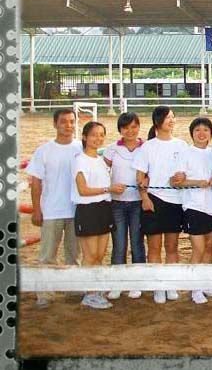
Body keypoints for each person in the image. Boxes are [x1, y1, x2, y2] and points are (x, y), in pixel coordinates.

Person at [26, 109, 82, 307]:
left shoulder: (81, 148)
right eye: (64, 122)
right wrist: (36, 209)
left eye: (71, 121)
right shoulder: (44, 150)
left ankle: (73, 290)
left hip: (76, 210)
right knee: (47, 255)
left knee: (74, 255)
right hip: (51, 210)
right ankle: (45, 295)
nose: (68, 125)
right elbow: (36, 182)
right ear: (55, 124)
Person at [133, 106, 189, 304]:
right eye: (168, 117)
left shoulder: (182, 145)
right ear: (158, 121)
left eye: (173, 117)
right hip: (154, 200)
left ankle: (171, 284)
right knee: (154, 247)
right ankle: (158, 286)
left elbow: (186, 172)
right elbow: (139, 176)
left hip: (175, 201)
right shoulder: (148, 147)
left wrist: (182, 177)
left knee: (172, 246)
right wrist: (145, 198)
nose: (171, 120)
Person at [170, 118, 212, 304]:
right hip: (194, 206)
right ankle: (195, 288)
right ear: (192, 133)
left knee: (210, 246)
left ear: (211, 134)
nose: (202, 134)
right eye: (198, 130)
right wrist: (199, 183)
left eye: (206, 130)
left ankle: (205, 282)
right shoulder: (185, 153)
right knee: (199, 248)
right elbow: (177, 182)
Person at [72, 121, 123, 309]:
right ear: (84, 137)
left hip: (104, 209)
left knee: (100, 254)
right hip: (87, 210)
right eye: (94, 134)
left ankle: (96, 289)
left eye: (101, 134)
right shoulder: (80, 159)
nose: (98, 138)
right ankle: (89, 293)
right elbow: (83, 190)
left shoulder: (100, 160)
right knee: (90, 254)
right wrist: (108, 188)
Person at [103, 112, 146, 301]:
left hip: (138, 202)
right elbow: (102, 170)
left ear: (139, 126)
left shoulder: (146, 148)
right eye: (126, 127)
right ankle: (117, 283)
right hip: (117, 204)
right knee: (119, 244)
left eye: (134, 126)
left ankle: (137, 283)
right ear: (120, 130)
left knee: (137, 243)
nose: (130, 131)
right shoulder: (112, 149)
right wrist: (109, 188)